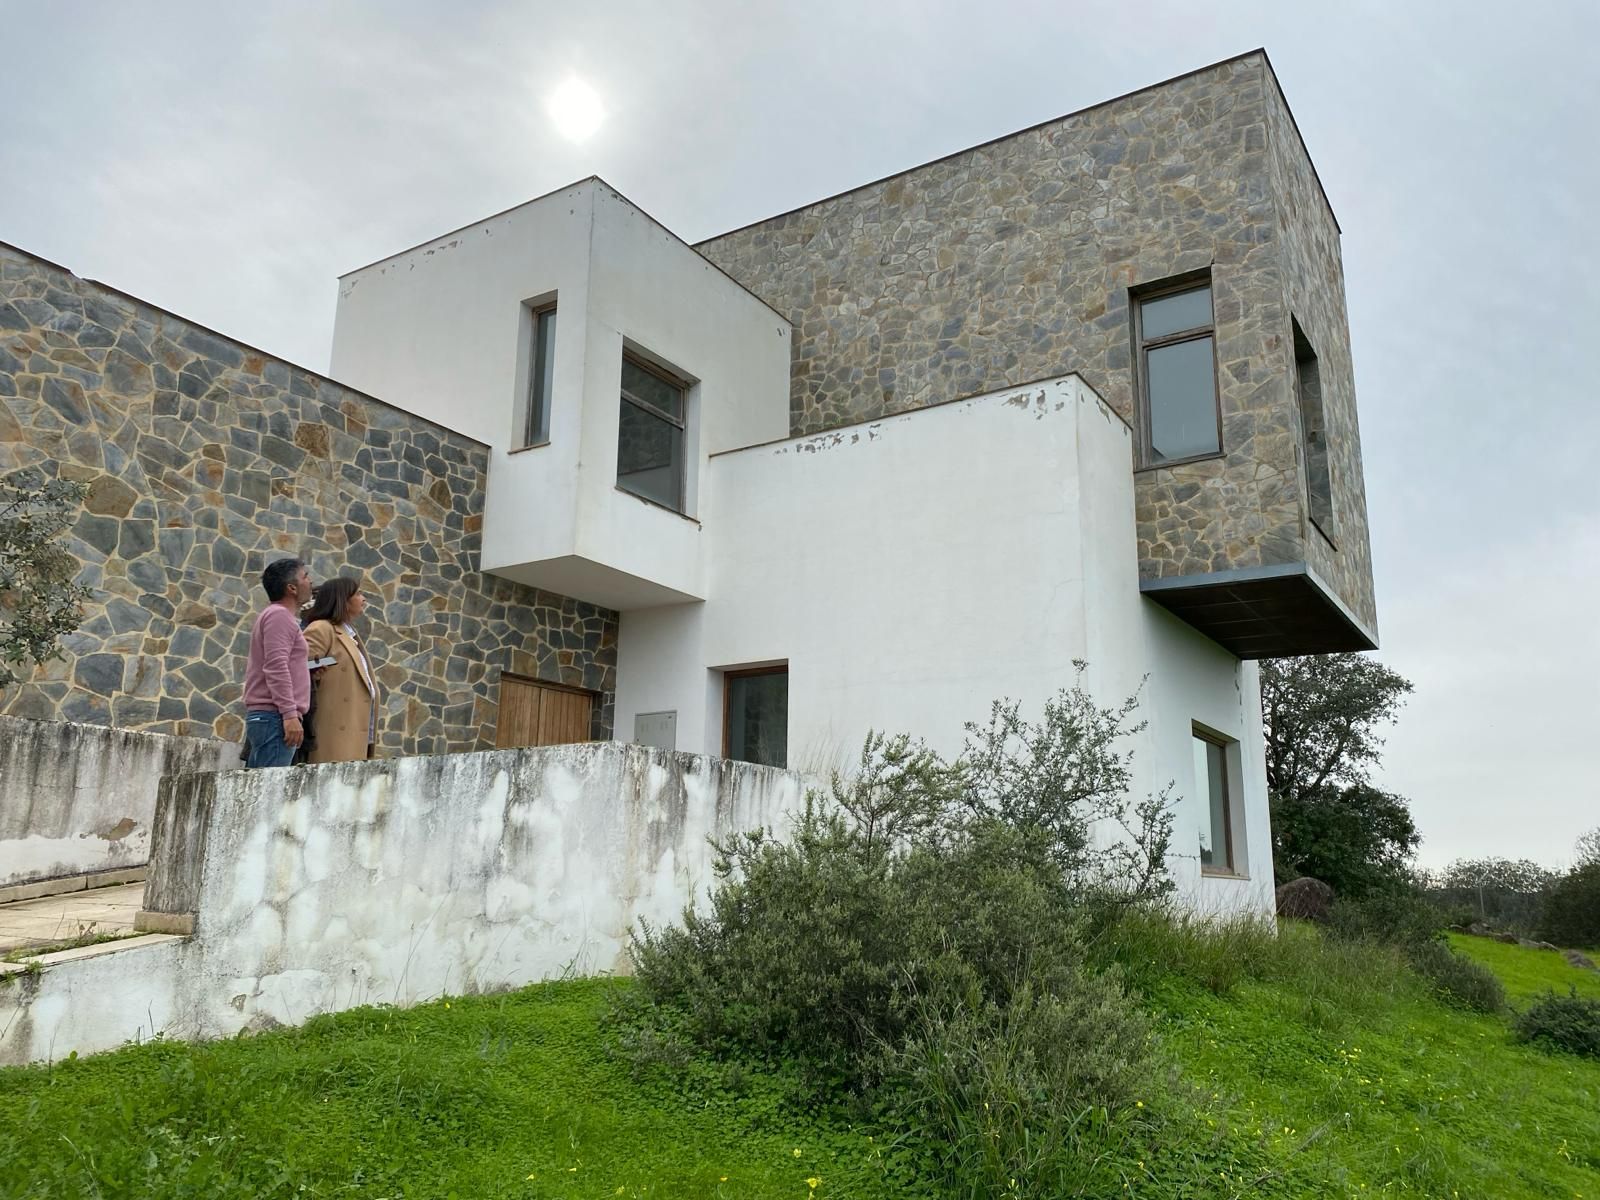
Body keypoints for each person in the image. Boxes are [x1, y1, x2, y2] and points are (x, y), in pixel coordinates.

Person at [300, 575, 380, 762]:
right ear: (343, 599)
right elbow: (299, 671)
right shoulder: (321, 628)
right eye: (358, 593)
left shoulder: (349, 634)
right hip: (331, 734)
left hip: (355, 732)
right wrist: (316, 670)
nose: (363, 599)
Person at [243, 557, 313, 768]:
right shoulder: (279, 616)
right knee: (267, 796)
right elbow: (276, 666)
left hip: (271, 718)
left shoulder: (275, 615)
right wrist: (290, 715)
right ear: (291, 588)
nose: (310, 582)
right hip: (274, 718)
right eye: (305, 576)